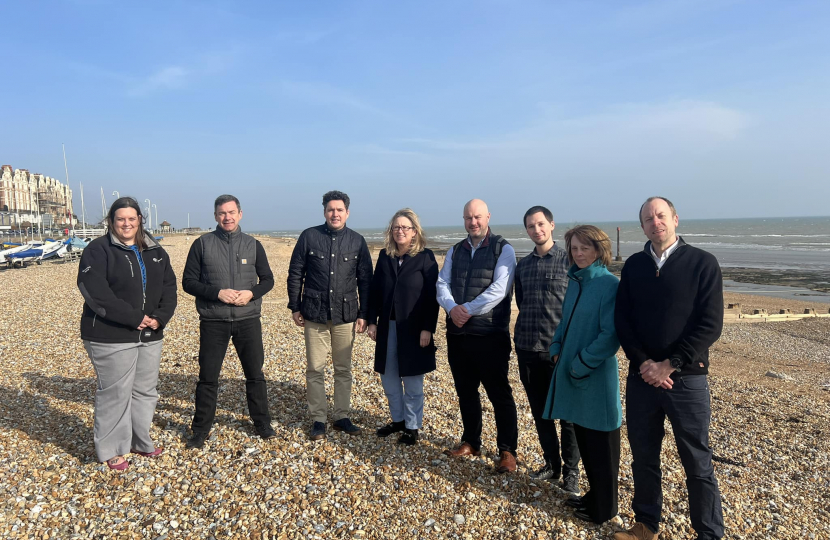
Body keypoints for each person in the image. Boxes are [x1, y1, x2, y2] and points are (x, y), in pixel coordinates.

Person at [614, 197, 724, 540]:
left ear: (675, 219)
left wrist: (670, 364)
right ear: (643, 226)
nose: (655, 222)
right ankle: (646, 524)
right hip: (641, 378)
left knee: (697, 462)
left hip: (687, 380)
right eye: (648, 218)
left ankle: (709, 533)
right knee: (644, 457)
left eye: (661, 215)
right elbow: (623, 321)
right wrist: (644, 363)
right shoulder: (633, 265)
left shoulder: (703, 263)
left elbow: (710, 324)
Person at [77, 197, 177, 471]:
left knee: (145, 391)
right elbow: (94, 291)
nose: (126, 223)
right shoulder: (98, 250)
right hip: (110, 335)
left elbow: (169, 287)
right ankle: (112, 449)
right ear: (111, 221)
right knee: (116, 392)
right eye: (120, 219)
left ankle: (139, 440)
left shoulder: (155, 250)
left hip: (151, 334)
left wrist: (160, 318)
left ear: (140, 220)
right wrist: (135, 318)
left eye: (131, 218)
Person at [182, 194, 276, 449]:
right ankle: (200, 429)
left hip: (248, 319)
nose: (227, 217)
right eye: (222, 213)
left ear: (240, 214)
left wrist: (251, 293)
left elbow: (268, 280)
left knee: (255, 375)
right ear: (215, 216)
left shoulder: (253, 244)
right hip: (214, 320)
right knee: (208, 377)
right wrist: (217, 292)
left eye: (232, 212)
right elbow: (188, 282)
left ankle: (262, 423)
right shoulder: (202, 244)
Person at [541, 225, 621, 524]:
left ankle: (605, 509)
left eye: (584, 247)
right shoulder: (575, 280)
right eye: (574, 248)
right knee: (586, 443)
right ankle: (592, 496)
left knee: (603, 448)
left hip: (595, 377)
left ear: (599, 249)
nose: (578, 253)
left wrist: (580, 364)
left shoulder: (609, 284)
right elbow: (564, 320)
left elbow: (610, 335)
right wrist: (557, 345)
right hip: (571, 371)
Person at [437, 199, 519, 473]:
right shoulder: (455, 250)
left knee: (499, 394)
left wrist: (467, 310)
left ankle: (507, 450)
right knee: (465, 392)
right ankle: (471, 441)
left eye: (478, 217)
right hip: (458, 335)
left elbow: (500, 289)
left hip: (490, 335)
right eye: (468, 218)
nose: (473, 222)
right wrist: (451, 308)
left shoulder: (502, 248)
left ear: (488, 217)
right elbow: (442, 283)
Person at [287, 190, 373, 440]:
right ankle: (318, 419)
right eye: (330, 209)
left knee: (343, 368)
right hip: (314, 313)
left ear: (347, 212)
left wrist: (364, 313)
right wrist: (295, 306)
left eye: (339, 210)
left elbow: (365, 280)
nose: (334, 214)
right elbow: (295, 273)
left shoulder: (357, 241)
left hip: (346, 315)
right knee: (315, 368)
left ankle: (342, 416)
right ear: (324, 211)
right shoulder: (309, 236)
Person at [514, 206, 581, 494]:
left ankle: (571, 472)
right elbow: (521, 299)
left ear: (552, 225)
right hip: (528, 348)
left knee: (568, 415)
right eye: (531, 226)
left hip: (560, 350)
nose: (536, 230)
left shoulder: (570, 262)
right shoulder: (523, 265)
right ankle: (551, 464)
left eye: (541, 224)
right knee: (540, 413)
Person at [366, 209, 439, 445]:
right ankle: (397, 421)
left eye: (405, 227)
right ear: (391, 231)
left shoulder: (426, 257)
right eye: (396, 227)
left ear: (414, 232)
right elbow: (376, 291)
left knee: (413, 380)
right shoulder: (385, 257)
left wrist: (428, 328)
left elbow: (432, 297)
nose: (400, 231)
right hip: (388, 328)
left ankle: (412, 426)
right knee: (388, 378)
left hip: (414, 328)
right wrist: (372, 321)